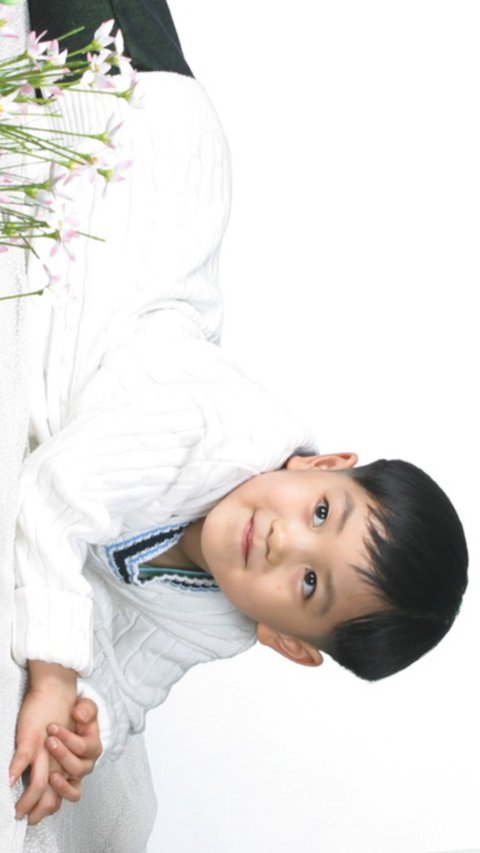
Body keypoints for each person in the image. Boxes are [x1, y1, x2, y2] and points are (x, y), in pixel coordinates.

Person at [10, 0, 468, 829]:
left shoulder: (216, 623)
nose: (286, 540)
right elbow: (58, 488)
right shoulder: (223, 430)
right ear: (322, 465)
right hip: (135, 141)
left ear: (287, 639)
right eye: (322, 512)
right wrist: (51, 669)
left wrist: (87, 721)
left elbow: (132, 676)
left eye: (309, 585)